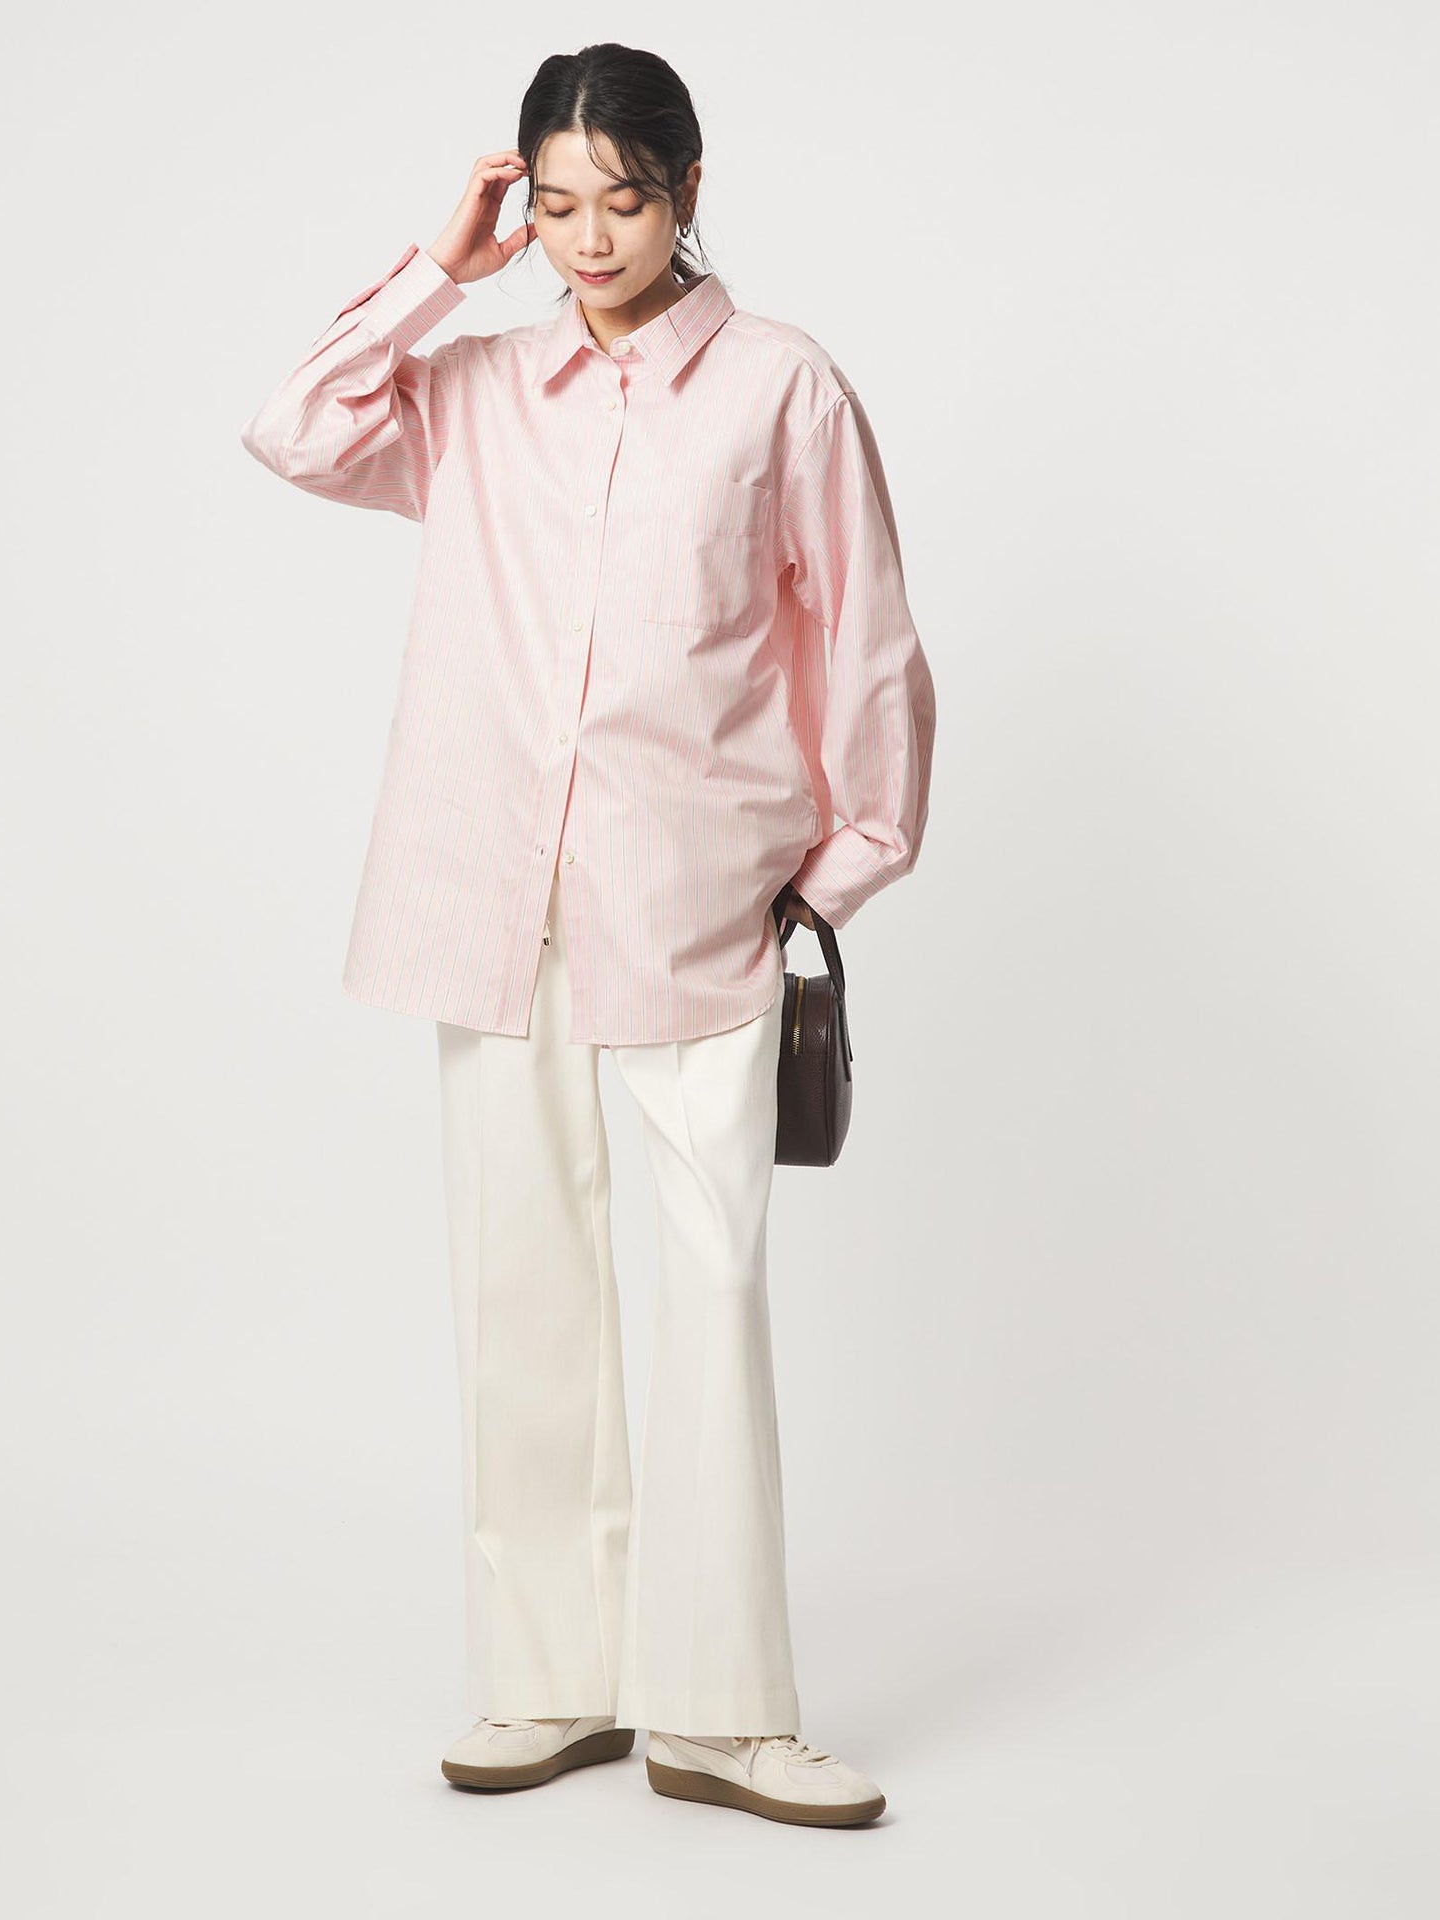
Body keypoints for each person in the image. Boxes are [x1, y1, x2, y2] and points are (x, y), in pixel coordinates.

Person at [240, 43, 934, 1829]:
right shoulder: (477, 388)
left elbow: (863, 639)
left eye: (622, 197)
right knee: (523, 1286)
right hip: (491, 899)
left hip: (697, 900)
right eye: (555, 205)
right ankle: (550, 1677)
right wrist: (440, 266)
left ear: (688, 191)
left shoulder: (783, 385)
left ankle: (724, 1714)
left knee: (710, 1287)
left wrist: (843, 867)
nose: (590, 235)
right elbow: (296, 427)